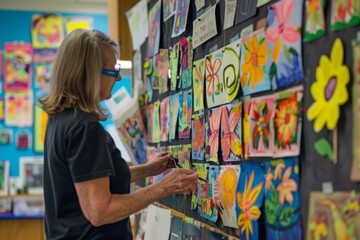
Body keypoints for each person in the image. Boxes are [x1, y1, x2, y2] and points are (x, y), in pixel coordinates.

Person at [39, 29, 198, 240]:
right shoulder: (85, 128)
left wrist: (149, 170)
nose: (119, 76)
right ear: (91, 74)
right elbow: (100, 211)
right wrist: (163, 188)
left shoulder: (62, 120)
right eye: (114, 70)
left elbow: (95, 180)